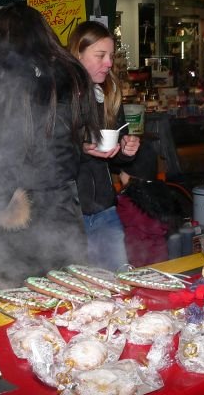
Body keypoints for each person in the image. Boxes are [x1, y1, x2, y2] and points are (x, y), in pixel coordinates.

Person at [0, 4, 101, 289]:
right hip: (63, 217)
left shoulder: (9, 81)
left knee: (9, 318)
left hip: (19, 231)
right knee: (64, 308)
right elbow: (65, 149)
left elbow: (4, 176)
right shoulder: (72, 75)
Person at [68, 20, 141, 271]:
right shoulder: (59, 97)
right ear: (78, 54)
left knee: (119, 284)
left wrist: (126, 148)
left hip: (105, 210)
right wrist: (81, 148)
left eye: (110, 55)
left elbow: (115, 156)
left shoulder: (108, 93)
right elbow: (44, 153)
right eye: (100, 55)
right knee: (78, 293)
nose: (109, 63)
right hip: (70, 216)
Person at [115, 143, 184, 267]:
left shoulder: (127, 202)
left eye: (122, 171)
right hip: (161, 258)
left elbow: (115, 220)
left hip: (137, 260)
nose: (120, 175)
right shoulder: (161, 195)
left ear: (133, 176)